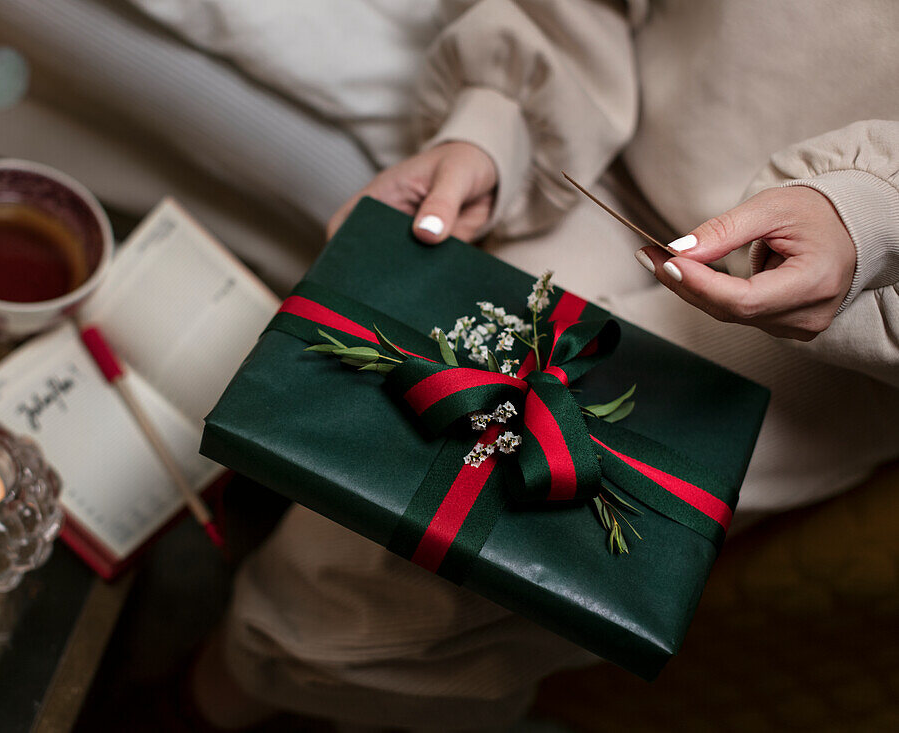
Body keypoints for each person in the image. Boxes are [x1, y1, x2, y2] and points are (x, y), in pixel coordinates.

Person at [193, 1, 899, 729]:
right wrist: (496, 128)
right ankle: (240, 660)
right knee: (370, 471)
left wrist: (874, 222)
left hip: (836, 330)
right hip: (605, 173)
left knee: (425, 592)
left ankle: (231, 689)